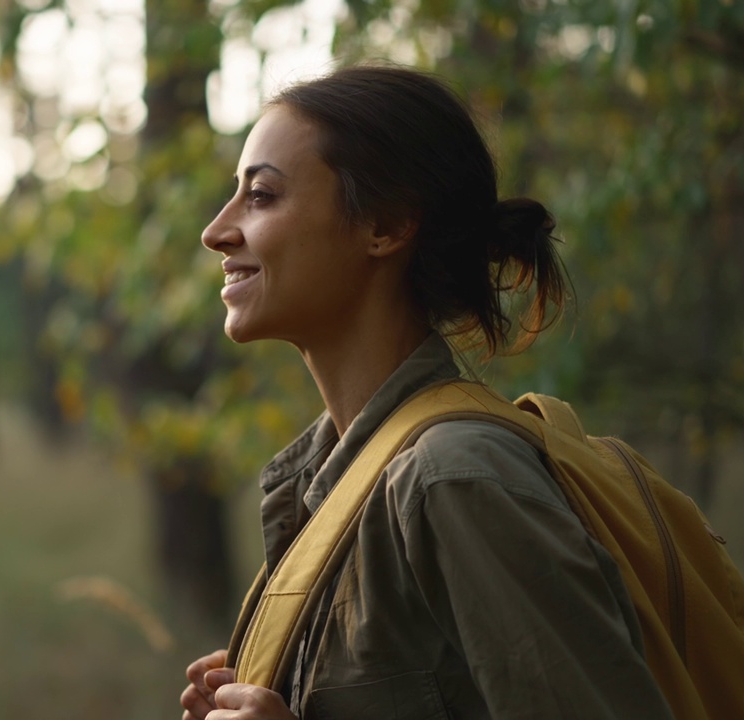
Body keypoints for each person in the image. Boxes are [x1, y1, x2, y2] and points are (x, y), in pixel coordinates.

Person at [179, 65, 675, 719]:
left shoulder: (456, 478)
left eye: (262, 196)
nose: (217, 231)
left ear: (384, 225)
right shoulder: (335, 489)